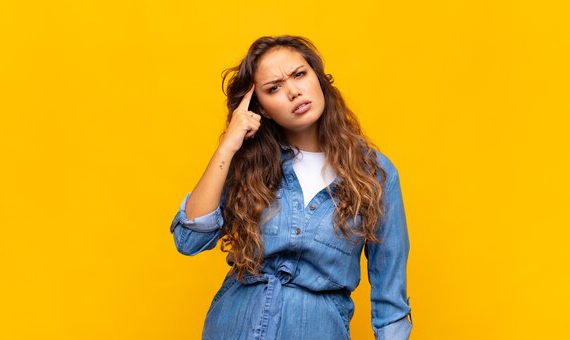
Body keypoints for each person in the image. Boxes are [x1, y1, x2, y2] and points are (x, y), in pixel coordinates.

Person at [169, 35, 412, 340]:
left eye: (299, 75)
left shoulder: (374, 172)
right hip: (234, 325)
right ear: (263, 109)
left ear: (319, 78)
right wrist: (227, 147)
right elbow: (189, 239)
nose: (293, 91)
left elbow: (390, 293)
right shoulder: (248, 163)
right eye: (274, 88)